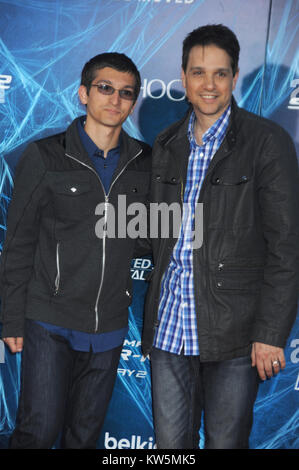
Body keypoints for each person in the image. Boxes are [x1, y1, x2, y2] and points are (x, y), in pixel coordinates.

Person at [142, 24, 299, 449]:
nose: (208, 85)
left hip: (235, 332)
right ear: (182, 78)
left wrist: (270, 333)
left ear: (233, 75)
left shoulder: (267, 142)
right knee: (170, 449)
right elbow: (156, 231)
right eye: (198, 73)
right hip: (169, 329)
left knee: (224, 443)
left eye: (220, 74)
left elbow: (287, 246)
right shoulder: (167, 142)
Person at [0, 52, 151, 449]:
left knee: (84, 438)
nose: (114, 100)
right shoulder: (45, 156)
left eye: (125, 93)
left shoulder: (145, 164)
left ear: (133, 101)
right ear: (83, 94)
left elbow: (157, 233)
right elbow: (17, 245)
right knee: (38, 432)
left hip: (110, 328)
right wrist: (11, 320)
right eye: (105, 88)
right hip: (50, 321)